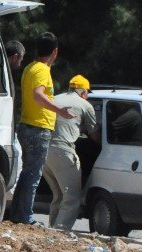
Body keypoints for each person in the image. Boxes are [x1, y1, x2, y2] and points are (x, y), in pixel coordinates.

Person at [8, 32, 75, 224]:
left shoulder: (30, 67)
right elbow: (38, 95)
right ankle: (26, 217)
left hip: (28, 126)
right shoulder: (42, 70)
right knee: (33, 175)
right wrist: (59, 110)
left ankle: (18, 215)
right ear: (55, 51)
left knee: (27, 174)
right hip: (38, 128)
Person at [42, 75, 99, 230]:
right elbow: (94, 134)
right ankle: (60, 232)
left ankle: (53, 229)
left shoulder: (54, 99)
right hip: (63, 152)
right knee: (72, 197)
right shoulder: (85, 105)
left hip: (44, 152)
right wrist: (102, 147)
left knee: (59, 195)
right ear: (83, 92)